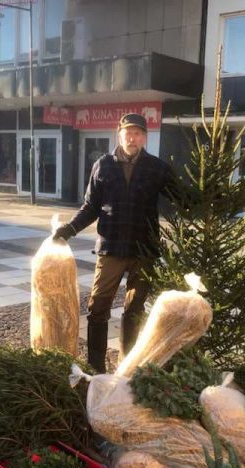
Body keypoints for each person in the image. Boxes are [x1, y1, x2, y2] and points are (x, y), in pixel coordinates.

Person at [52, 113, 176, 373]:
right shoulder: (103, 165)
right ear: (119, 134)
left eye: (138, 133)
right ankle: (96, 367)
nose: (133, 138)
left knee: (135, 309)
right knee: (98, 307)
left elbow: (181, 197)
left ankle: (127, 364)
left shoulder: (157, 168)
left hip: (145, 250)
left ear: (145, 137)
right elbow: (90, 206)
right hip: (111, 248)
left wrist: (210, 199)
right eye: (128, 133)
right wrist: (70, 229)